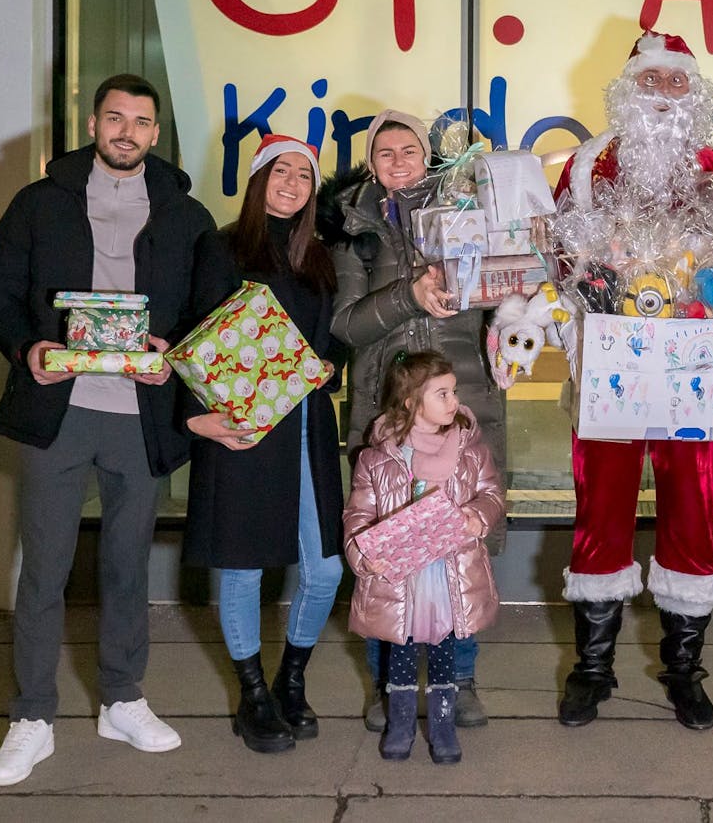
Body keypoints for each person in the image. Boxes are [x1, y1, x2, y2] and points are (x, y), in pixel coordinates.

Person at [0, 74, 217, 785]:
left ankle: (122, 697)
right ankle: (32, 715)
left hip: (141, 417)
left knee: (127, 564)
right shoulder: (39, 203)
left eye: (141, 121)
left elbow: (211, 307)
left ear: (155, 134)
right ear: (92, 122)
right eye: (116, 118)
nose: (127, 131)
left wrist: (173, 351)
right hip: (60, 411)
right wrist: (28, 348)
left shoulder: (186, 215)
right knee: (45, 567)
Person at [551, 30, 713, 730]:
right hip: (611, 373)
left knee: (692, 515)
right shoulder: (582, 172)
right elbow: (555, 265)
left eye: (675, 83)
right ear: (627, 89)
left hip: (694, 377)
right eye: (651, 81)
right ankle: (593, 668)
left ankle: (684, 669)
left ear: (693, 95)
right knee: (599, 510)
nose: (662, 95)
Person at [318, 110, 505, 731]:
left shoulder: (468, 209)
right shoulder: (352, 228)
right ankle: (388, 683)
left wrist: (514, 322)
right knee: (388, 548)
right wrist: (408, 297)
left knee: (461, 545)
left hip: (461, 401)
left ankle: (461, 679)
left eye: (409, 150)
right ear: (371, 162)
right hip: (385, 407)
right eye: (385, 152)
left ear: (428, 156)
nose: (398, 161)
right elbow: (344, 324)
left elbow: (505, 291)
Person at [181, 135, 348, 753]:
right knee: (243, 565)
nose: (292, 183)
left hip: (305, 425)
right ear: (257, 180)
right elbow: (194, 337)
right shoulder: (221, 248)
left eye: (304, 176)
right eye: (281, 171)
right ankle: (252, 695)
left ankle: (292, 679)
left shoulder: (320, 258)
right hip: (243, 427)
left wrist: (330, 365)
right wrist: (198, 418)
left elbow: (332, 342)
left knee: (326, 567)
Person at [343, 351, 504, 765]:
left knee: (444, 653)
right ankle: (399, 725)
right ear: (412, 402)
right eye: (442, 394)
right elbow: (359, 513)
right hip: (402, 580)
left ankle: (443, 727)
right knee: (399, 652)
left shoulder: (471, 449)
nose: (454, 402)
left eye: (453, 392)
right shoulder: (377, 458)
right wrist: (363, 552)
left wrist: (476, 516)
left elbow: (491, 495)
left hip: (449, 573)